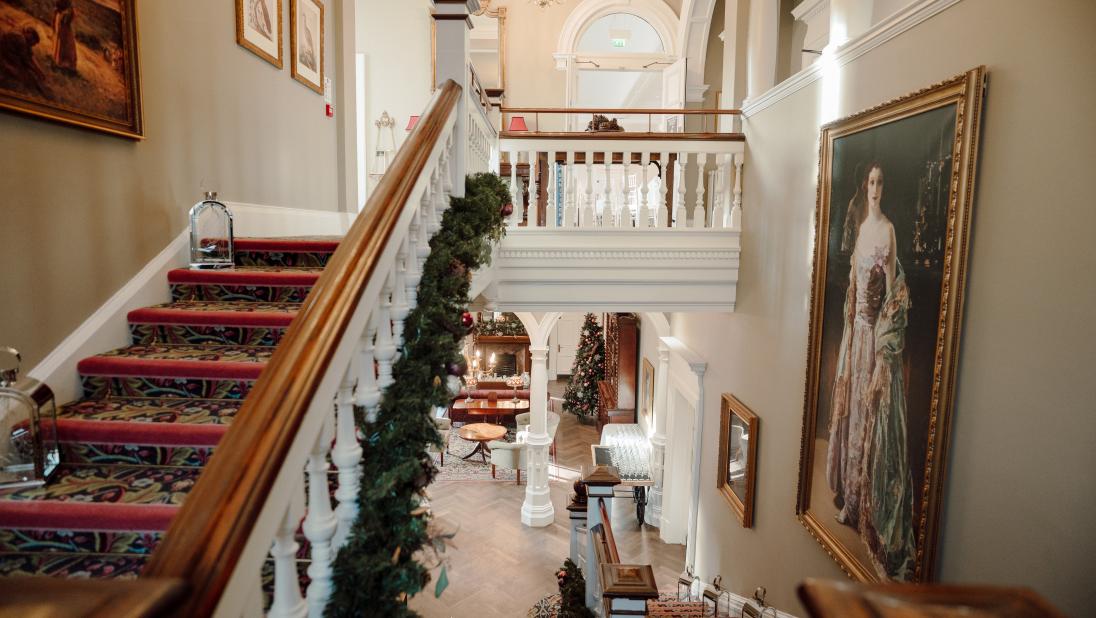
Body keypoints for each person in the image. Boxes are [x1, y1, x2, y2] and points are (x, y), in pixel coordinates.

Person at [825, 162, 917, 580]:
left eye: (882, 182)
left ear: (886, 187)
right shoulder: (862, 230)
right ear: (866, 187)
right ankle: (848, 495)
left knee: (868, 417)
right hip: (855, 335)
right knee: (851, 414)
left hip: (873, 341)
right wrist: (852, 329)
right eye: (872, 182)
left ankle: (864, 502)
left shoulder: (890, 231)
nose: (876, 188)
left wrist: (883, 346)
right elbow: (854, 287)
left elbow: (895, 291)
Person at [0, 26, 51, 98]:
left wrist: (39, 71)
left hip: (10, 56)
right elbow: (26, 60)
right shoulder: (21, 39)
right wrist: (37, 72)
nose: (34, 45)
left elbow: (31, 56)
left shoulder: (24, 38)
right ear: (30, 35)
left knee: (29, 75)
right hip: (5, 57)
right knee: (26, 76)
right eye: (34, 42)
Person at [52, 0, 78, 73]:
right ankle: (63, 64)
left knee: (63, 43)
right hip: (63, 26)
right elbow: (68, 19)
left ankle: (60, 62)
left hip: (62, 23)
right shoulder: (64, 11)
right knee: (66, 45)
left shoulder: (62, 11)